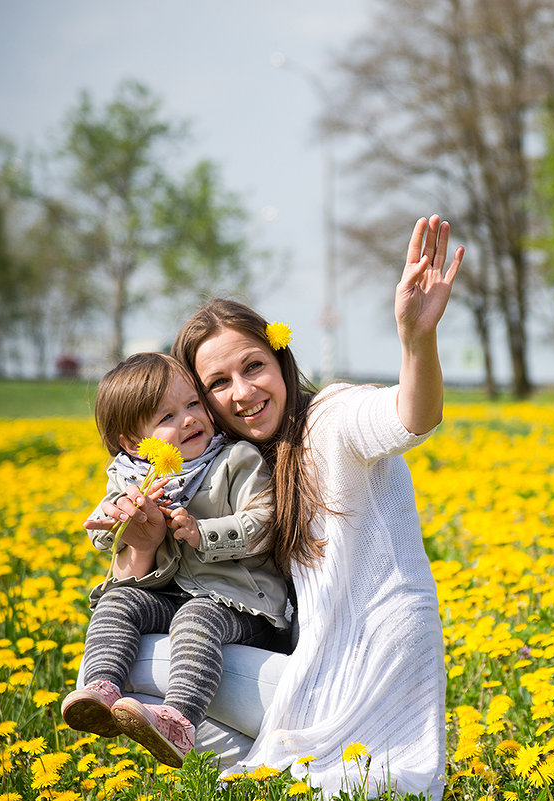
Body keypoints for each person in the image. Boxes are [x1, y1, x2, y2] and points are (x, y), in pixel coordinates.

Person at [92, 215, 462, 798]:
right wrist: (138, 542)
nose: (242, 392)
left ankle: (282, 772)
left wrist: (417, 340)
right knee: (122, 646)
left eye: (254, 366)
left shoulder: (329, 420)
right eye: (217, 383)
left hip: (362, 674)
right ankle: (278, 777)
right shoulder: (224, 469)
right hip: (314, 667)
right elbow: (146, 586)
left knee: (135, 669)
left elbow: (410, 419)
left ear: (280, 358)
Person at [70, 352, 290, 768]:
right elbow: (107, 539)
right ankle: (101, 688)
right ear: (134, 444)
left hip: (239, 603)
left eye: (193, 404)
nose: (188, 419)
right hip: (168, 597)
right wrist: (121, 521)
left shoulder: (234, 460)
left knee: (197, 618)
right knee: (118, 603)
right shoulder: (128, 477)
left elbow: (265, 523)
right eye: (166, 417)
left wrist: (202, 533)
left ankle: (179, 721)